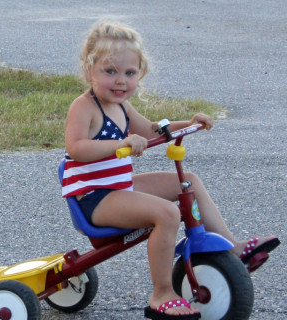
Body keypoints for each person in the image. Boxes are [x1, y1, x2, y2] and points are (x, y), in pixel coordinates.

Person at [62, 21, 280, 319]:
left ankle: (233, 249)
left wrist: (188, 124)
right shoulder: (84, 107)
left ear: (140, 74)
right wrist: (120, 144)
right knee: (167, 213)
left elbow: (153, 129)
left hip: (119, 188)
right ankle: (161, 292)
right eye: (109, 71)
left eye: (129, 73)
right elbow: (76, 148)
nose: (120, 81)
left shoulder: (122, 107)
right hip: (95, 198)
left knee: (188, 182)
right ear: (89, 71)